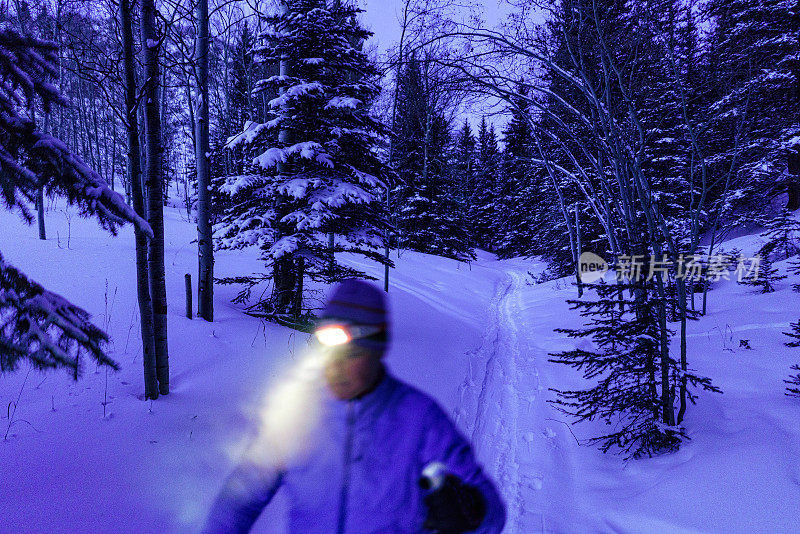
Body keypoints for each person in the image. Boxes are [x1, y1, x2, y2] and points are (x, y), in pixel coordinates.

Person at [203, 279, 506, 534]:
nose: (335, 367)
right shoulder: (296, 416)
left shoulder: (419, 419)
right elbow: (239, 500)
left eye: (352, 354)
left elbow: (493, 512)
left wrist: (474, 512)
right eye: (327, 351)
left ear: (378, 351)